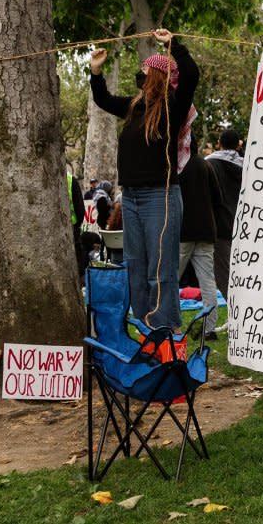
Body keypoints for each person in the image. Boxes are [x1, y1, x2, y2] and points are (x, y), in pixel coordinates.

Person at [89, 28, 198, 331]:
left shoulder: (172, 106)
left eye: (145, 68)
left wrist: (174, 45)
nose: (140, 72)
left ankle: (165, 333)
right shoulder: (135, 107)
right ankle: (146, 327)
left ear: (158, 75)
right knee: (135, 267)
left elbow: (190, 74)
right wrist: (96, 71)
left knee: (160, 269)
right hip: (133, 197)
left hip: (159, 196)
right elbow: (103, 98)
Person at [178, 140, 222, 340]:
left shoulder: (177, 166)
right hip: (206, 230)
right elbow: (218, 199)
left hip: (183, 231)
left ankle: (169, 325)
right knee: (207, 282)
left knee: (171, 279)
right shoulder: (206, 165)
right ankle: (209, 328)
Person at [206, 129, 243, 302]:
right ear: (238, 144)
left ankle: (235, 309)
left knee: (223, 272)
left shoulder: (208, 164)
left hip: (219, 225)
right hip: (244, 225)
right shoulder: (249, 165)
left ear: (219, 142)